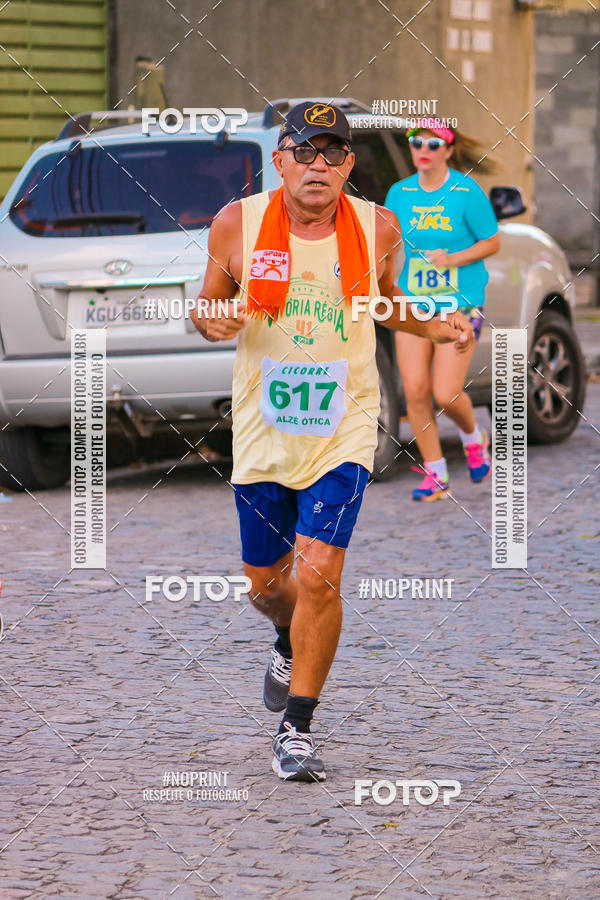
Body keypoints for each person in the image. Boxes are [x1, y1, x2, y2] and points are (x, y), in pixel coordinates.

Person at [191, 102, 474, 782]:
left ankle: (297, 727)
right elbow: (207, 303)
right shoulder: (236, 223)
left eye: (333, 152)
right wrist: (212, 319)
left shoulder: (378, 226)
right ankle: (285, 637)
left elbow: (385, 300)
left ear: (348, 165)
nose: (318, 164)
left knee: (319, 574)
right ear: (280, 160)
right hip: (264, 428)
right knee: (266, 586)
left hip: (343, 425)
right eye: (304, 150)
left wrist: (436, 324)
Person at [384, 117, 500, 501]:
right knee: (415, 390)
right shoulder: (399, 193)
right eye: (417, 142)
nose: (423, 150)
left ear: (449, 150)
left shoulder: (466, 192)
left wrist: (453, 259)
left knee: (446, 393)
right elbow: (388, 244)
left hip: (459, 303)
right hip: (413, 303)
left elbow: (492, 242)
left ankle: (473, 437)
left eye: (433, 144)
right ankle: (435, 473)